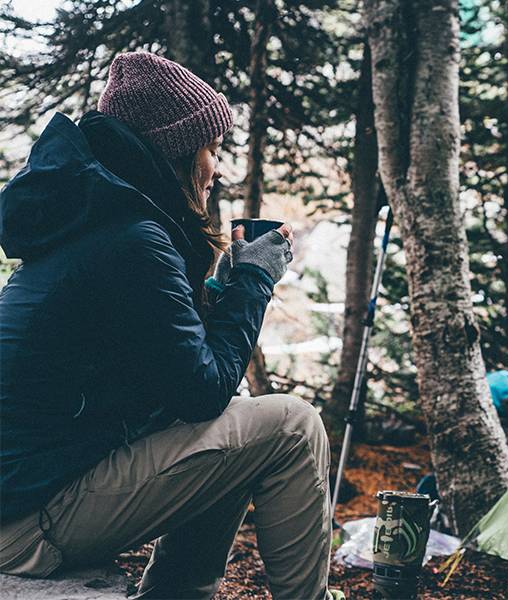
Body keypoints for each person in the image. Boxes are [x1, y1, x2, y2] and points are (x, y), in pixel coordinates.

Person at [0, 52, 331, 599]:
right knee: (292, 426)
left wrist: (222, 290)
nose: (217, 169)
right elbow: (199, 392)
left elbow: (177, 381)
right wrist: (255, 282)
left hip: (25, 495)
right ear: (175, 153)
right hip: (27, 521)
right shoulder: (134, 239)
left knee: (238, 427)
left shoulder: (95, 223)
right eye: (212, 149)